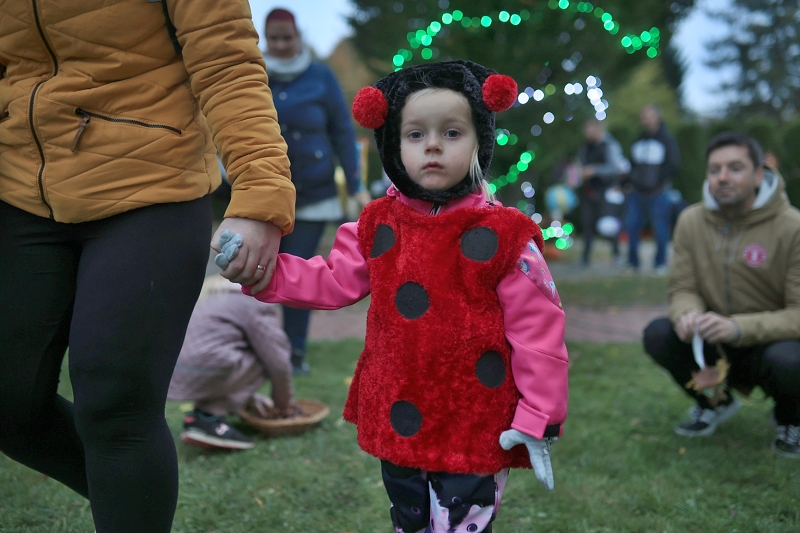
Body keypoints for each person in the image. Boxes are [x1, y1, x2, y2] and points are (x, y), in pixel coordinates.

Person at [0, 2, 294, 532]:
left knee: (115, 402)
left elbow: (226, 62)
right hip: (17, 184)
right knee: (9, 400)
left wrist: (259, 193)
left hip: (152, 180)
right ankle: (131, 498)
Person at [244, 60, 569, 532]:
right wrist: (261, 271)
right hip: (401, 412)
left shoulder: (506, 234)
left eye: (452, 132)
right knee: (409, 520)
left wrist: (540, 414)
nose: (433, 145)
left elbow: (539, 331)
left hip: (474, 420)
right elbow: (331, 279)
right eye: (415, 135)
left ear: (481, 139)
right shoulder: (379, 224)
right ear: (393, 146)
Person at [643, 131, 800, 458]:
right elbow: (683, 288)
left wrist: (739, 327)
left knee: (789, 360)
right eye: (714, 170)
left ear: (759, 174)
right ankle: (714, 402)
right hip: (714, 341)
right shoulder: (690, 221)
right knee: (658, 333)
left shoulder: (792, 227)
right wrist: (687, 314)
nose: (722, 177)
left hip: (772, 343)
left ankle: (791, 419)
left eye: (735, 168)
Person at [263, 8, 370, 376]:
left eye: (287, 38)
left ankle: (294, 354)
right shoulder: (254, 76)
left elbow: (342, 131)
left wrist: (354, 185)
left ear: (298, 37)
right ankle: (259, 348)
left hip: (314, 195)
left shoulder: (320, 76)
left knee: (297, 275)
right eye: (273, 39)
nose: (280, 45)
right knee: (259, 271)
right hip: (267, 192)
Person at [168, 276, 297, 451]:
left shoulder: (211, 291)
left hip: (172, 369)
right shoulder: (254, 301)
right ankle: (210, 418)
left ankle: (202, 417)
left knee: (228, 351)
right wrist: (283, 404)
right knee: (266, 356)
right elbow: (278, 362)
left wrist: (250, 399)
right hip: (207, 370)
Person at [625, 104, 681, 274]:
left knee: (660, 227)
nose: (645, 118)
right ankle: (632, 263)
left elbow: (674, 165)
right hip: (637, 192)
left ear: (657, 117)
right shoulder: (639, 140)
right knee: (632, 226)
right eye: (644, 115)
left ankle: (660, 263)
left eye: (649, 115)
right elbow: (632, 164)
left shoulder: (666, 140)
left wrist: (657, 181)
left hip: (659, 192)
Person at [576, 117, 629, 267]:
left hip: (607, 191)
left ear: (598, 129)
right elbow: (579, 167)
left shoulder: (610, 146)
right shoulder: (585, 148)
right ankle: (585, 257)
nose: (586, 133)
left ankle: (617, 254)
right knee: (587, 223)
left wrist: (594, 171)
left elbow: (615, 168)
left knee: (609, 224)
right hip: (589, 192)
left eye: (589, 129)